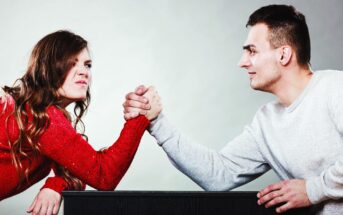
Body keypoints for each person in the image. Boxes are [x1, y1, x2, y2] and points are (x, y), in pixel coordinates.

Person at [123, 4, 343, 215]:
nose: (242, 62)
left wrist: (312, 190)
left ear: (283, 55)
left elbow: (311, 191)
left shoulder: (336, 88)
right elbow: (218, 174)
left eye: (252, 51)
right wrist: (156, 121)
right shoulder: (266, 122)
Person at [0, 30, 162, 215]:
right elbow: (103, 175)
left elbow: (80, 169)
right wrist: (141, 116)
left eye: (88, 65)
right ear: (46, 69)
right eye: (71, 63)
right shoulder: (43, 117)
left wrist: (56, 185)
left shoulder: (37, 113)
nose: (83, 71)